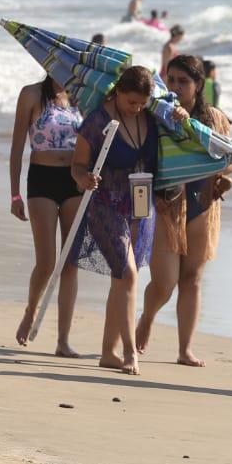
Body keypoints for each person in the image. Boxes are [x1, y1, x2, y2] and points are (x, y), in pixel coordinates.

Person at [69, 65, 186, 375]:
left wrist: (180, 117)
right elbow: (77, 165)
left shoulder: (150, 117)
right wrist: (84, 179)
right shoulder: (97, 121)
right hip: (105, 202)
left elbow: (179, 138)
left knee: (120, 279)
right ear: (118, 92)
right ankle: (130, 352)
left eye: (141, 103)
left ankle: (108, 352)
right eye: (131, 101)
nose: (136, 108)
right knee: (129, 274)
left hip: (139, 203)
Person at [136, 55, 232, 367]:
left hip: (203, 204)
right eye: (172, 80)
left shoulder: (216, 118)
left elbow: (230, 161)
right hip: (165, 205)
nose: (177, 87)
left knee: (192, 278)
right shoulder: (157, 115)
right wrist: (150, 199)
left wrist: (218, 171)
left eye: (184, 81)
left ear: (199, 85)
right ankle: (148, 318)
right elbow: (142, 160)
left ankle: (185, 349)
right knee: (165, 283)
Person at [9, 72, 84, 355]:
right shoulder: (31, 94)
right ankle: (31, 311)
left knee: (71, 262)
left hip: (76, 180)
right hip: (41, 178)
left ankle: (63, 340)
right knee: (47, 262)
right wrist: (15, 193)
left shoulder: (82, 99)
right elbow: (17, 148)